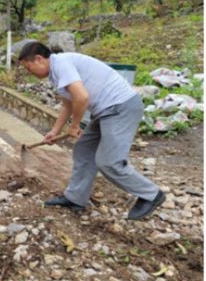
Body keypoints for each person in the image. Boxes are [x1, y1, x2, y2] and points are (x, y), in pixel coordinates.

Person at [17, 41, 164, 220]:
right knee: (84, 149)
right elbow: (67, 104)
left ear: (39, 59)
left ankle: (151, 194)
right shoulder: (56, 72)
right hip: (106, 111)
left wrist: (75, 126)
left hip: (120, 107)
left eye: (28, 67)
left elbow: (82, 97)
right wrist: (54, 131)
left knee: (109, 162)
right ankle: (75, 198)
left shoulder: (61, 64)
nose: (29, 72)